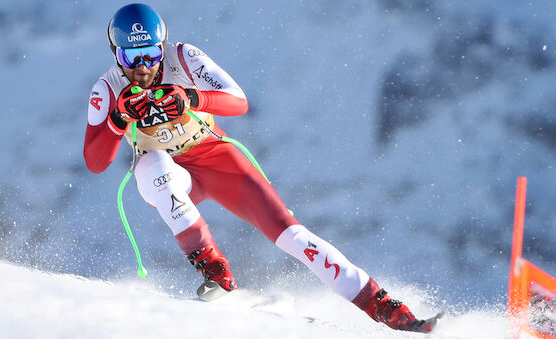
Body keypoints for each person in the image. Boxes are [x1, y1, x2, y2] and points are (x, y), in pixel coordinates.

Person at [84, 3, 440, 333]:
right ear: (116, 54)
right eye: (132, 57)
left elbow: (237, 100)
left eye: (151, 53)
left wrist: (190, 97)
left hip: (215, 158)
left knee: (292, 235)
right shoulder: (108, 88)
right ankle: (215, 269)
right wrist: (117, 119)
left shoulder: (183, 57)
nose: (143, 67)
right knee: (153, 165)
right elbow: (95, 162)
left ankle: (386, 308)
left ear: (163, 46)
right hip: (171, 177)